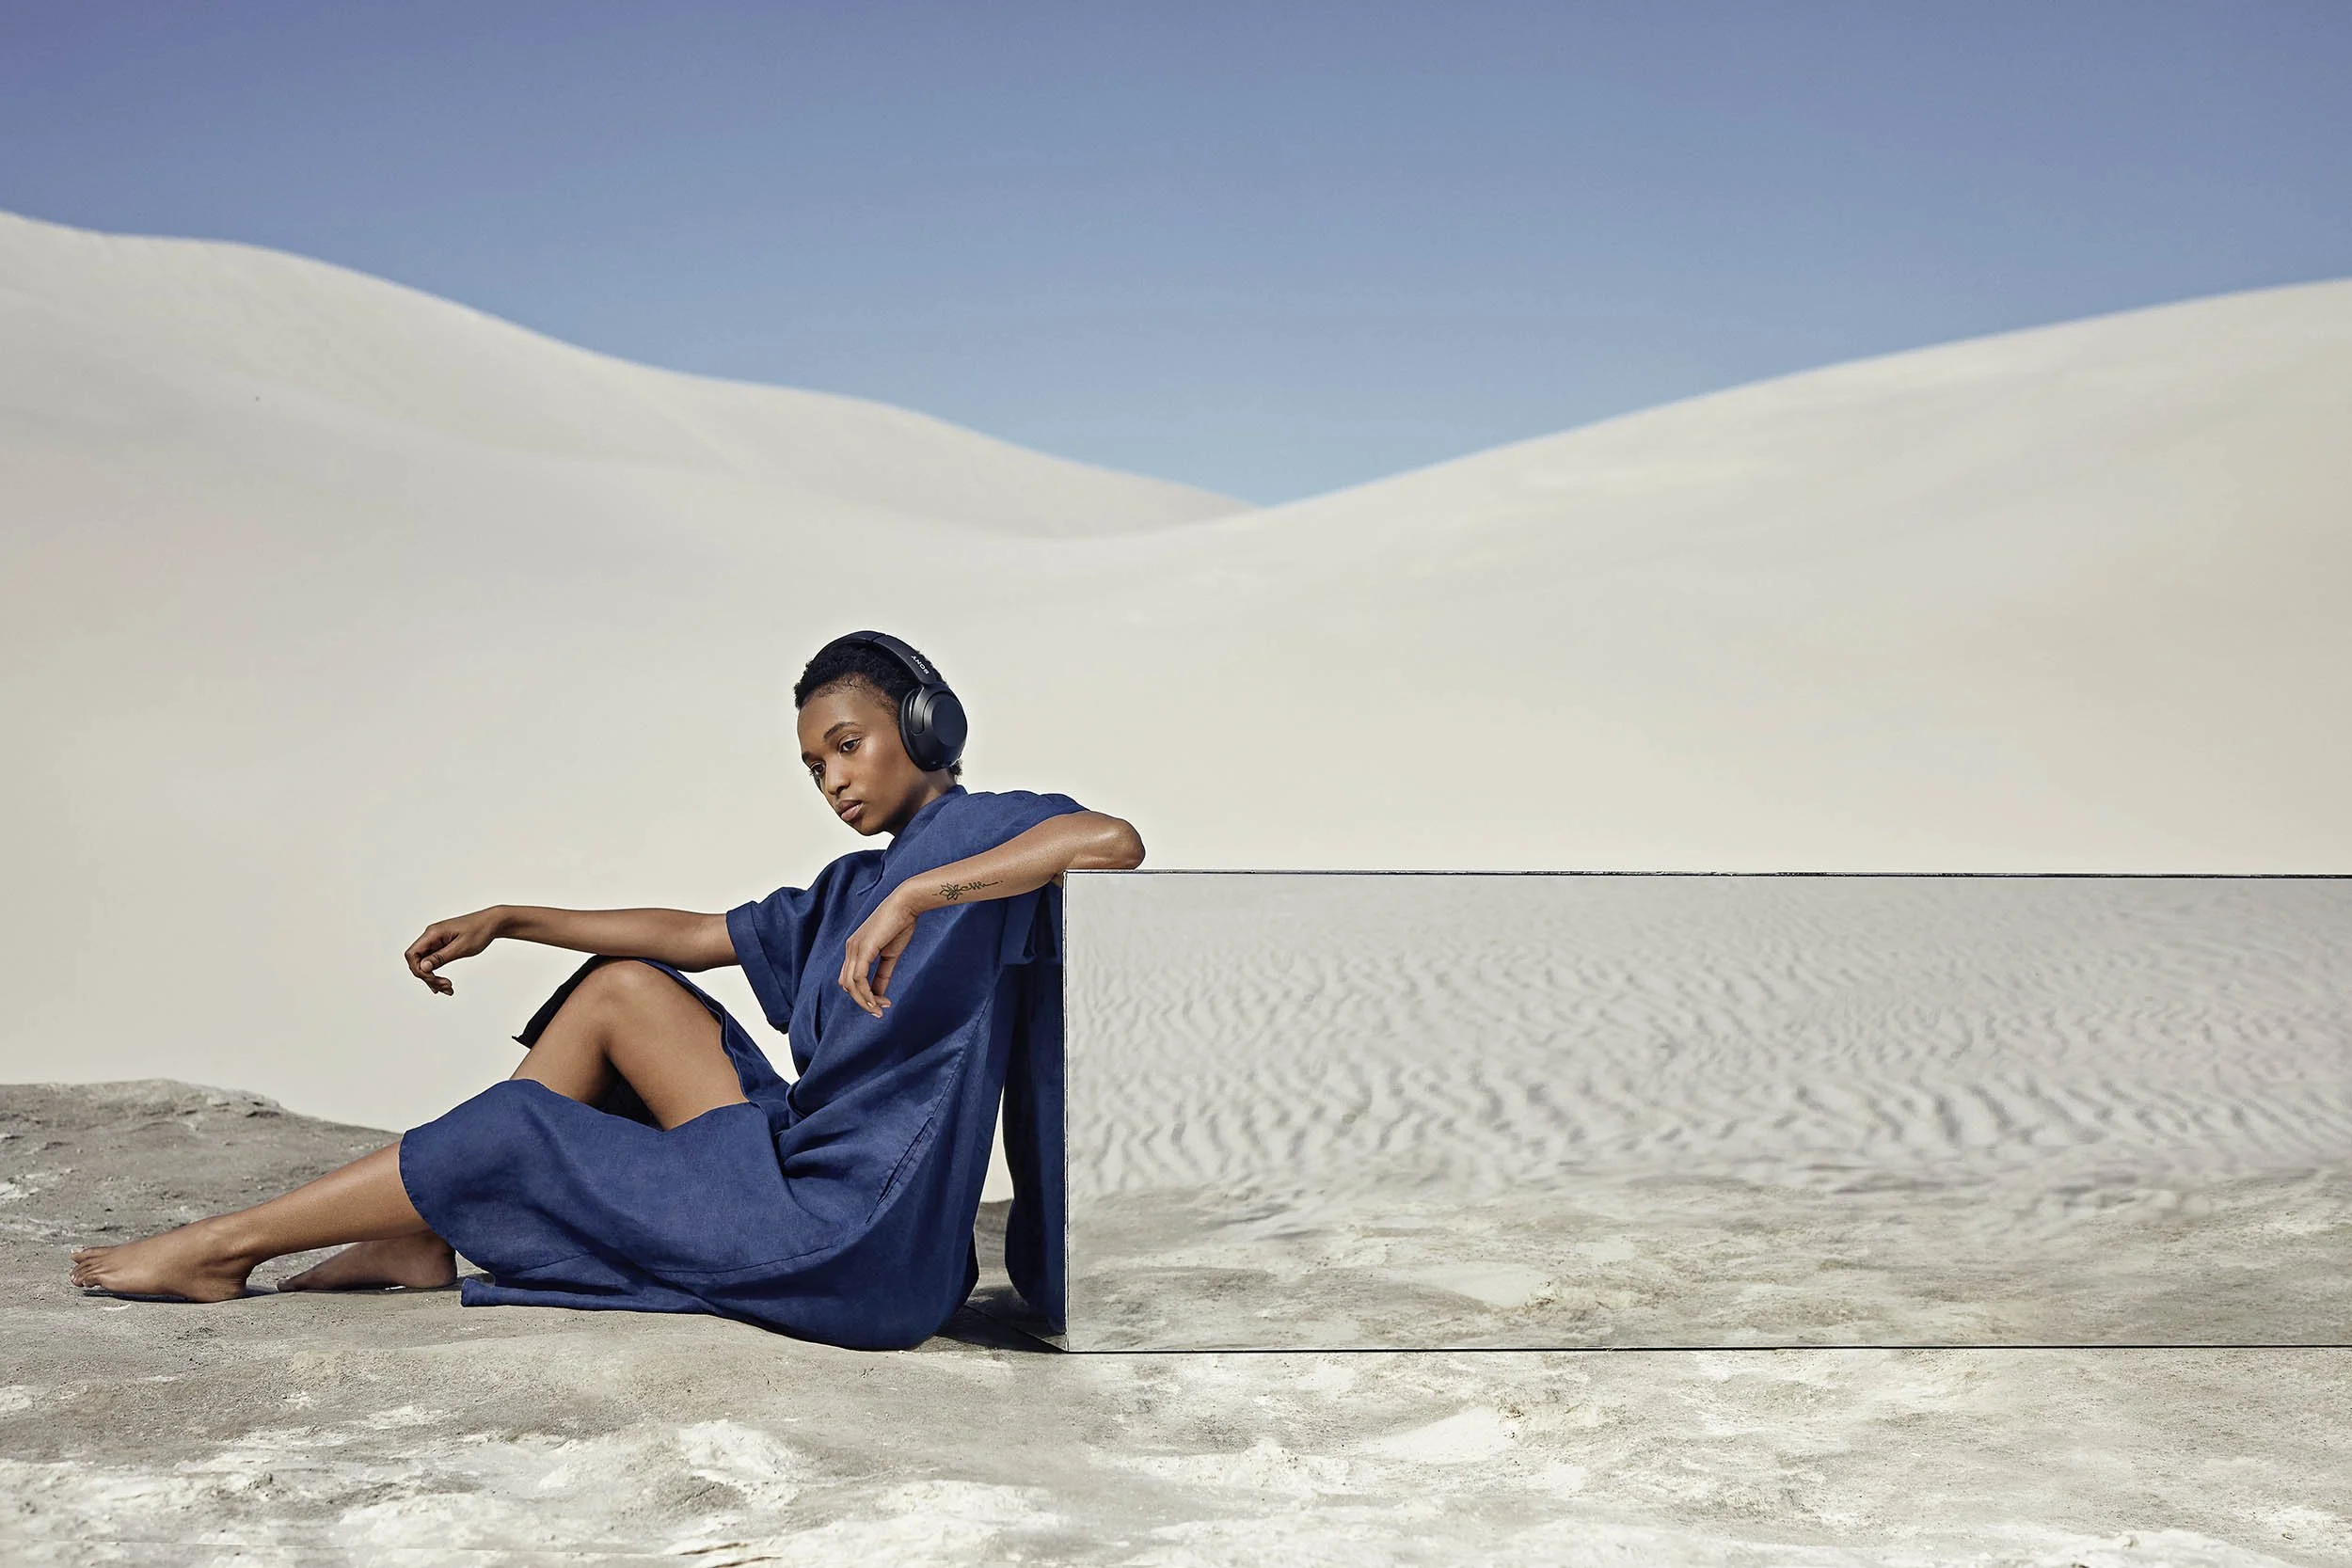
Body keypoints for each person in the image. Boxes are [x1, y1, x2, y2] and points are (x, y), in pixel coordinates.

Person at [70, 631, 1144, 1349]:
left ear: (924, 730)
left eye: (849, 746)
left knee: (519, 1134)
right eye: (814, 766)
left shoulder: (987, 829)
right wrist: (513, 917)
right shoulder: (846, 885)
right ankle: (417, 1229)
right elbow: (686, 934)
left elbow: (1110, 840)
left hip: (853, 1238)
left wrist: (922, 897)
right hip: (798, 1178)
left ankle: (224, 1248)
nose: (834, 780)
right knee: (627, 985)